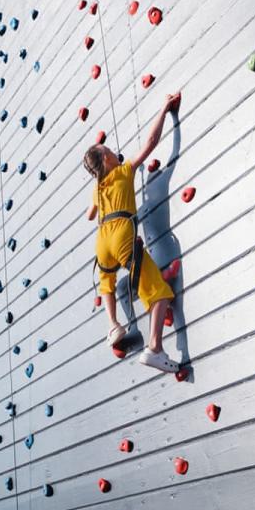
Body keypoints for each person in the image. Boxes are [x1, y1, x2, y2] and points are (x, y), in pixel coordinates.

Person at [83, 91, 182, 372]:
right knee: (159, 293)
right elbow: (151, 143)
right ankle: (155, 348)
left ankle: (114, 325)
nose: (114, 151)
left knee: (107, 283)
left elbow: (91, 215)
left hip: (102, 240)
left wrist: (97, 200)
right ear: (106, 161)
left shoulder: (98, 188)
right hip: (121, 235)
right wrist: (164, 109)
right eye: (108, 151)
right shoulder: (123, 171)